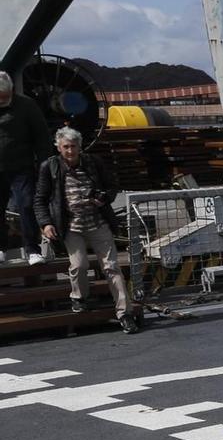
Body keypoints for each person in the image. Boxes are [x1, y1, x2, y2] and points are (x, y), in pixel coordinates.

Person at [34, 126, 136, 331]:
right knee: (79, 265)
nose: (70, 151)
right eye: (66, 147)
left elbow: (111, 186)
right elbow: (40, 199)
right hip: (71, 226)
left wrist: (103, 198)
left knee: (112, 267)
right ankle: (79, 297)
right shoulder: (50, 167)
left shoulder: (93, 163)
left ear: (80, 147)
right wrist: (46, 223)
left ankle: (125, 312)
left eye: (73, 147)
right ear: (58, 147)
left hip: (98, 222)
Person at [0, 69, 54, 263]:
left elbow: (42, 137)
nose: (2, 101)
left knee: (26, 204)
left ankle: (32, 249)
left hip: (21, 167)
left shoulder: (26, 105)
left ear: (12, 91)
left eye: (5, 97)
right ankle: (0, 247)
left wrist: (45, 165)